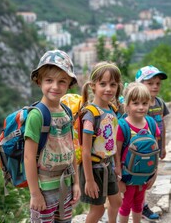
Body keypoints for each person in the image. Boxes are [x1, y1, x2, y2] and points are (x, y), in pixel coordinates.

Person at [24, 49, 80, 223]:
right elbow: (28, 157)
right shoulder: (37, 115)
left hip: (66, 185)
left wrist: (76, 183)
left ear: (69, 84)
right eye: (49, 80)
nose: (55, 86)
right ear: (39, 81)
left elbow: (70, 147)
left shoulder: (67, 112)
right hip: (45, 189)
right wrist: (35, 194)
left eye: (61, 81)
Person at [79, 62, 122, 223]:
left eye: (113, 84)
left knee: (117, 201)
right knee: (97, 210)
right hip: (94, 169)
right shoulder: (91, 115)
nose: (108, 89)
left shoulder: (112, 109)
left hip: (108, 165)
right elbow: (85, 151)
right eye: (103, 84)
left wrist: (117, 164)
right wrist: (89, 180)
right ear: (93, 86)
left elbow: (112, 141)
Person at [117, 82, 160, 223]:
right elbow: (116, 154)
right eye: (135, 103)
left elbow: (155, 151)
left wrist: (154, 174)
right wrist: (118, 179)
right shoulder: (122, 126)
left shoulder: (151, 124)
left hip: (145, 175)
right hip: (127, 176)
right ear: (127, 105)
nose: (141, 107)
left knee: (138, 204)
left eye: (144, 103)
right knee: (125, 205)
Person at [135, 65, 170, 221]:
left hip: (154, 149)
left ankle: (141, 204)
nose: (155, 86)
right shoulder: (139, 104)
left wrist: (162, 147)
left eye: (157, 83)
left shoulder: (160, 103)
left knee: (150, 178)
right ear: (140, 84)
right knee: (138, 178)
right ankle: (141, 206)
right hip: (140, 150)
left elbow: (162, 124)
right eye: (150, 83)